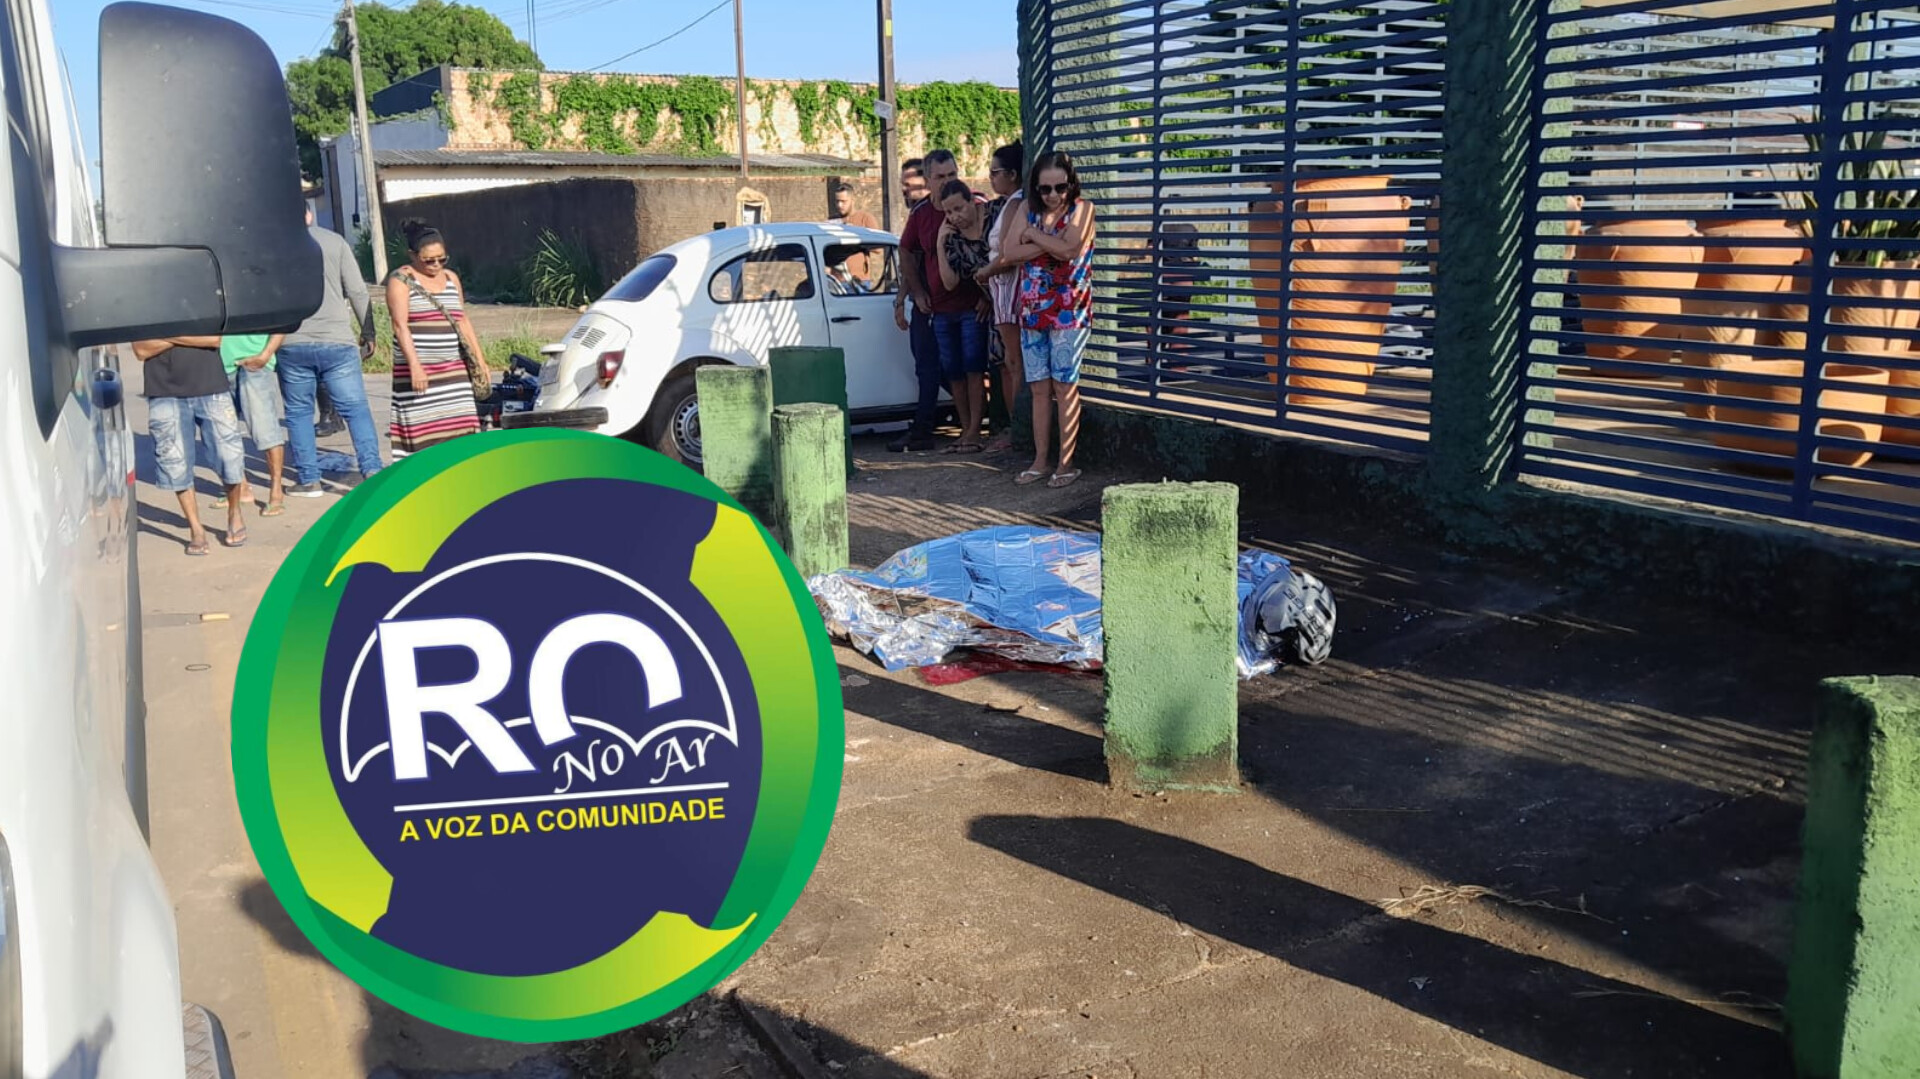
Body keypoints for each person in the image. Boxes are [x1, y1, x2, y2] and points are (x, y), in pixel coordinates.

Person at [1004, 151, 1096, 488]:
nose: (1053, 195)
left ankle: (1065, 464)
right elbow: (1009, 253)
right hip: (1032, 312)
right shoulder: (1025, 210)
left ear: (1071, 185)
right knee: (1039, 388)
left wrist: (1033, 235)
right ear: (1036, 188)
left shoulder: (1083, 209)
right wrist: (1052, 244)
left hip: (1070, 312)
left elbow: (1071, 250)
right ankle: (1040, 461)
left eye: (1060, 187)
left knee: (1065, 387)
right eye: (1045, 189)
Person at [278, 207, 383, 497]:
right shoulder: (335, 241)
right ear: (309, 215)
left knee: (299, 413)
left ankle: (309, 480)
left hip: (291, 342)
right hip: (337, 341)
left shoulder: (275, 244)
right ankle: (372, 471)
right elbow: (358, 291)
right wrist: (368, 331)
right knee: (356, 409)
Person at [134, 336, 249, 554]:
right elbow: (141, 350)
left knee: (229, 458)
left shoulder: (201, 308)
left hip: (211, 386)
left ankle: (235, 512)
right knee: (176, 464)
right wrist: (190, 337)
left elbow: (213, 339)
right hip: (164, 391)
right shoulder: (145, 314)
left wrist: (164, 337)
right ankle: (196, 529)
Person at [386, 219, 484, 458]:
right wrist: (415, 367)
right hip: (421, 373)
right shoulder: (400, 281)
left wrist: (480, 361)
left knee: (462, 435)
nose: (436, 265)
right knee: (425, 437)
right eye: (429, 260)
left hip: (454, 373)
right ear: (412, 255)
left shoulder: (451, 278)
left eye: (442, 259)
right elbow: (400, 326)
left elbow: (462, 320)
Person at [893, 149, 964, 452]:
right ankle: (923, 431)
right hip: (930, 303)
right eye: (940, 177)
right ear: (928, 179)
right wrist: (910, 295)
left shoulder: (972, 204)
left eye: (952, 175)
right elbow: (907, 252)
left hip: (966, 303)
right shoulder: (921, 213)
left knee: (967, 368)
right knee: (927, 366)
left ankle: (978, 426)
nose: (947, 181)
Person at [974, 141, 1026, 454]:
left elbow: (1006, 254)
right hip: (1001, 284)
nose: (991, 178)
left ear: (1012, 174)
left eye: (995, 173)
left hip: (1007, 284)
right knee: (1010, 361)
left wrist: (985, 272)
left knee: (1013, 361)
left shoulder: (1016, 204)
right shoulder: (1010, 203)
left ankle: (1018, 427)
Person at [934, 180, 994, 452]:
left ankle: (976, 430)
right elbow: (949, 282)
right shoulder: (954, 239)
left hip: (980, 306)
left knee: (974, 368)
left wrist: (987, 297)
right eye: (948, 212)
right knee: (954, 371)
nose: (954, 216)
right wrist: (940, 243)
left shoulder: (993, 217)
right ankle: (966, 429)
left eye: (958, 208)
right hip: (949, 308)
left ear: (971, 201)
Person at [216, 331, 287, 516]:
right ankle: (242, 488)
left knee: (265, 430)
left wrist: (266, 355)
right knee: (223, 432)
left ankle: (276, 492)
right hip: (219, 364)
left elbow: (281, 324)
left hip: (256, 363)